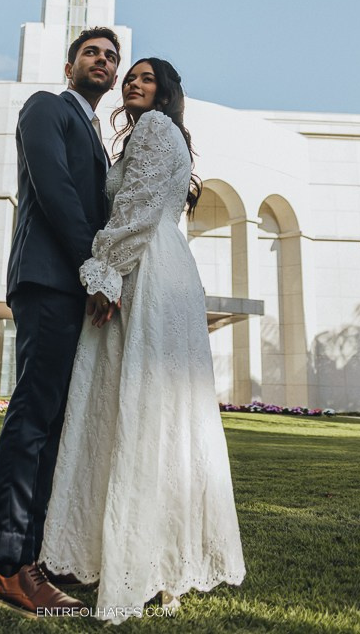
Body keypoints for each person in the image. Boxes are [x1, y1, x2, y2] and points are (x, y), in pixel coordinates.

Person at [40, 58, 246, 623]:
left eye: (145, 77)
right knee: (155, 407)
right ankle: (148, 555)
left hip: (147, 267)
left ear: (165, 92)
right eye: (130, 77)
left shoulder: (154, 129)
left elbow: (135, 209)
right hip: (166, 264)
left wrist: (105, 274)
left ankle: (144, 558)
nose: (132, 82)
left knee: (137, 402)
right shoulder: (156, 134)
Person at [0, 27, 120, 619]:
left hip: (75, 287)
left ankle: (35, 559)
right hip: (48, 279)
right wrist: (93, 268)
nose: (104, 61)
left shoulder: (96, 134)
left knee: (56, 425)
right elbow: (56, 189)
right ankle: (10, 568)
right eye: (92, 52)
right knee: (34, 418)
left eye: (111, 57)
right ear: (70, 67)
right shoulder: (46, 108)